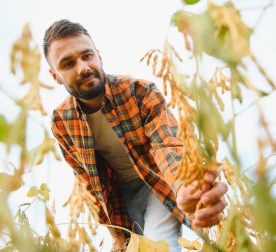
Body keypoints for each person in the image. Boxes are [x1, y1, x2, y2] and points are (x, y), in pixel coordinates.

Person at [43, 19, 228, 251]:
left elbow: (167, 144)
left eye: (87, 56)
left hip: (157, 182)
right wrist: (116, 232)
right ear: (55, 75)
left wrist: (182, 188)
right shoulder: (62, 122)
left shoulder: (139, 92)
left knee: (156, 245)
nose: (83, 67)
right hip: (120, 196)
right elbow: (89, 181)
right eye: (68, 63)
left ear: (99, 56)